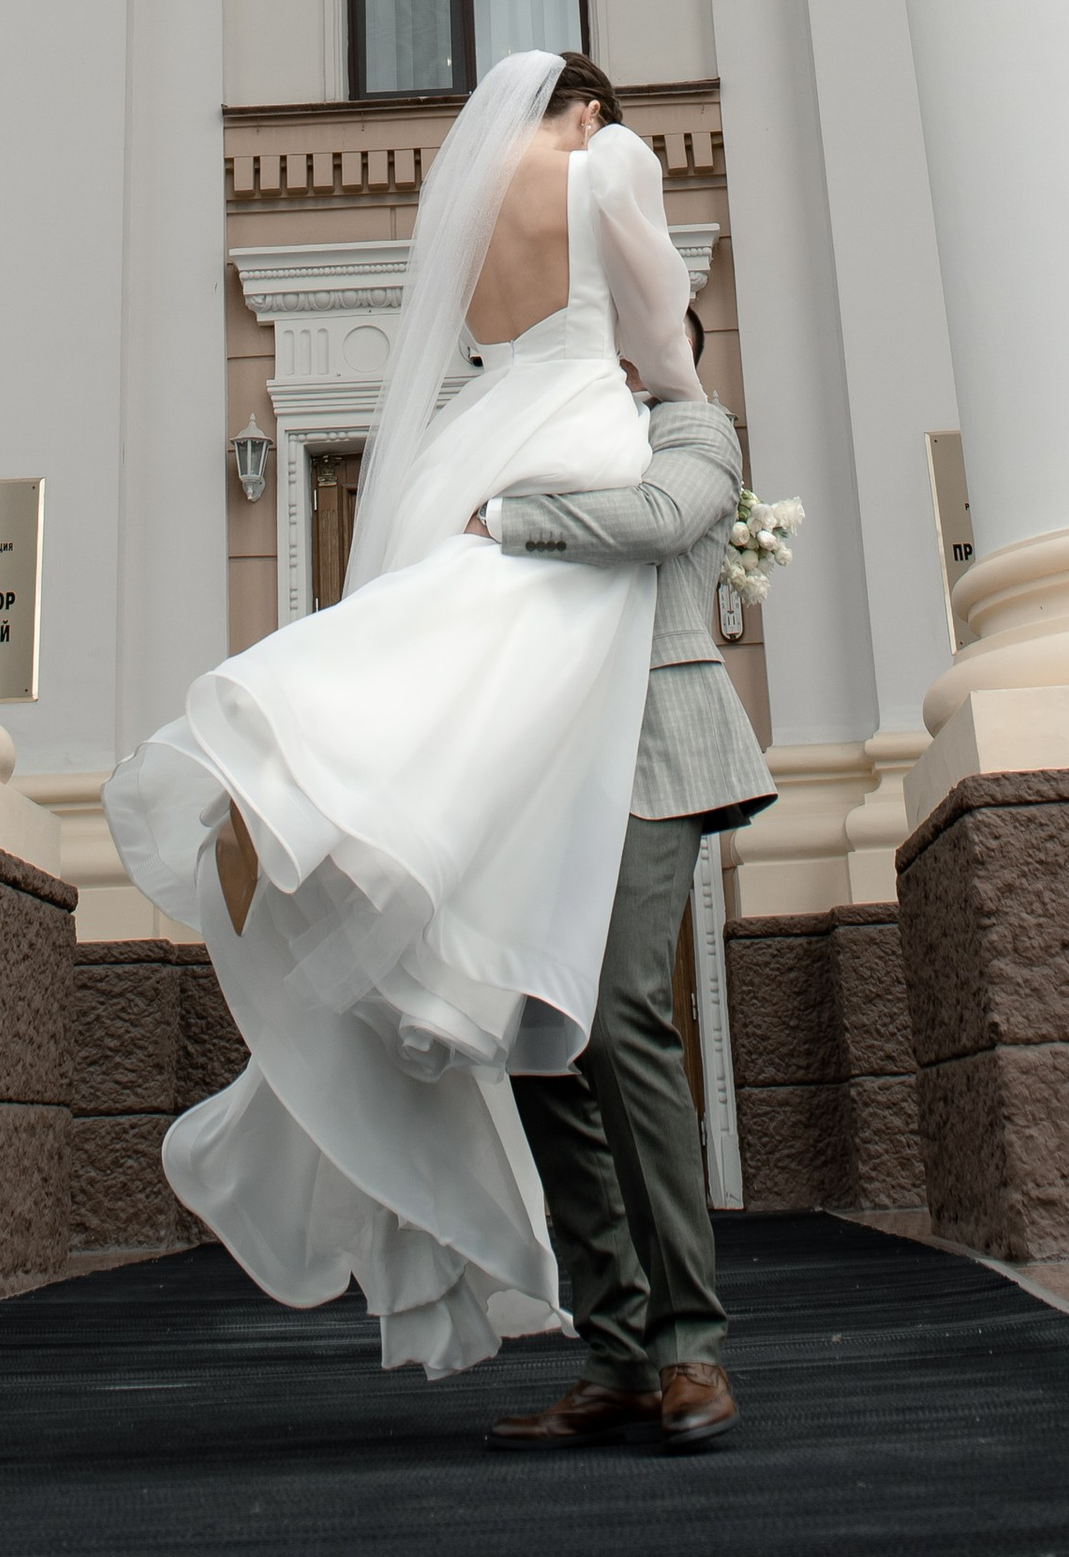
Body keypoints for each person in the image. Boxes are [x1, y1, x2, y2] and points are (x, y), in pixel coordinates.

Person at [103, 47, 713, 1389]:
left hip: (482, 426)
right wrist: (662, 375)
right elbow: (658, 329)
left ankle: (318, 779)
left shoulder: (475, 187)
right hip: (576, 418)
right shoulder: (605, 161)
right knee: (511, 663)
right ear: (596, 109)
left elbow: (489, 323)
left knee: (454, 642)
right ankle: (311, 764)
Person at [484, 287, 774, 1456]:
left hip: (659, 748)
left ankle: (688, 1347)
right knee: (540, 1041)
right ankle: (613, 1355)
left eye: (640, 339)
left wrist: (505, 516)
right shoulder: (559, 440)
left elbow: (657, 521)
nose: (620, 354)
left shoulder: (697, 427)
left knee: (620, 1018)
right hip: (548, 762)